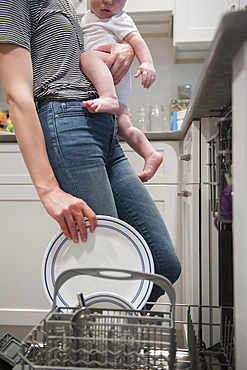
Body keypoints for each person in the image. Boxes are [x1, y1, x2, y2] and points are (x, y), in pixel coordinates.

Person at [0, 0, 181, 305]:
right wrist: (48, 189)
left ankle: (107, 334)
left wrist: (125, 49)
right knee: (109, 268)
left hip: (105, 128)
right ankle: (97, 343)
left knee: (163, 264)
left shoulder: (70, 5)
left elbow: (89, 50)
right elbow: (16, 93)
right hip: (67, 123)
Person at [80, 0, 163, 183]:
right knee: (124, 125)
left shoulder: (118, 18)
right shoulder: (87, 18)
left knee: (87, 57)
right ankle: (150, 154)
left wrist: (147, 63)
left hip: (111, 72)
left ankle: (108, 97)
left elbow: (136, 40)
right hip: (110, 79)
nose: (108, 2)